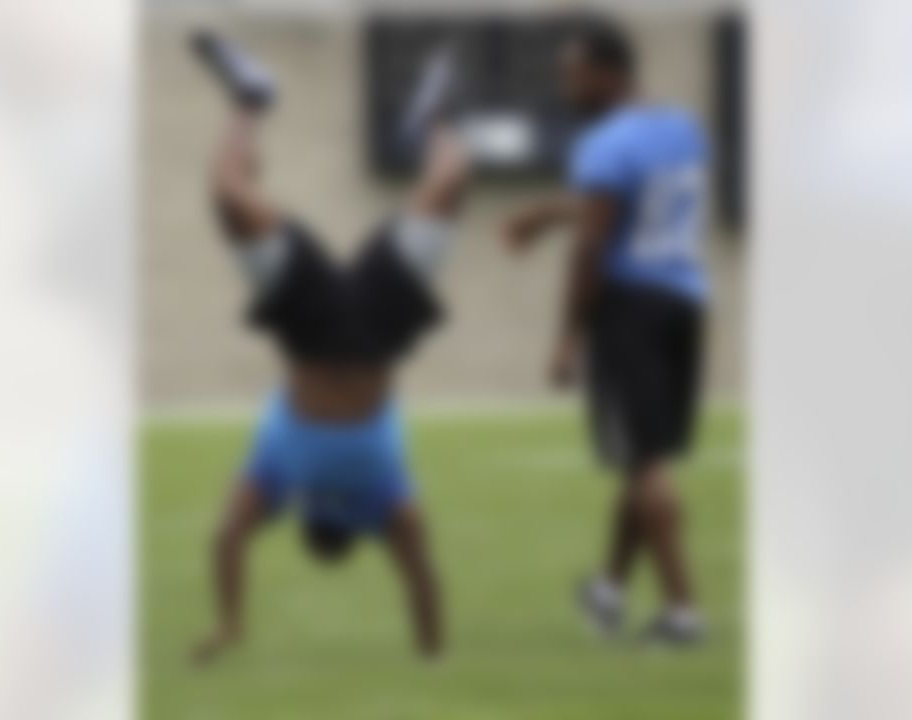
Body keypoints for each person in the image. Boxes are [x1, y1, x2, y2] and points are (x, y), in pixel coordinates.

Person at [185, 32, 469, 662]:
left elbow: (228, 539)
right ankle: (432, 117)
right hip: (368, 330)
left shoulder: (280, 478)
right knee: (450, 182)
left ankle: (251, 97)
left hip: (316, 329)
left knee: (231, 198)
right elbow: (421, 579)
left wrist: (230, 624)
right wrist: (433, 655)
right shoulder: (385, 501)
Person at [502, 21, 710, 645]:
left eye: (574, 73)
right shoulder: (684, 128)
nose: (565, 86)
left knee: (643, 463)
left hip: (629, 308)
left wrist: (568, 335)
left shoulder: (602, 145)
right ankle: (610, 592)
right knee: (641, 458)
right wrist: (546, 212)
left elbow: (593, 239)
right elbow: (620, 204)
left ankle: (682, 614)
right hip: (686, 300)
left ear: (609, 73)